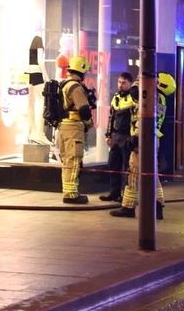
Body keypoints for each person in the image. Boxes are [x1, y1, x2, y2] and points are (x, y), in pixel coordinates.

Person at [110, 72, 172, 219]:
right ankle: (157, 206)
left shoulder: (150, 97)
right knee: (152, 175)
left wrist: (136, 137)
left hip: (142, 139)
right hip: (151, 138)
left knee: (133, 173)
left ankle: (128, 207)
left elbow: (142, 116)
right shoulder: (160, 99)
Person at [57, 56, 94, 204]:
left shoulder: (63, 84)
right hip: (73, 126)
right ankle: (71, 194)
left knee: (67, 160)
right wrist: (89, 123)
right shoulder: (75, 87)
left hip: (63, 126)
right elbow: (84, 110)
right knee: (74, 159)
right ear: (82, 70)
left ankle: (68, 190)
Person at [99, 72, 136, 203]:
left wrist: (134, 137)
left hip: (127, 137)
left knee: (127, 168)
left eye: (124, 83)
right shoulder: (115, 98)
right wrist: (108, 135)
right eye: (119, 82)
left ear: (130, 84)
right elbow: (111, 117)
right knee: (113, 165)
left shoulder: (133, 98)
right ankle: (114, 193)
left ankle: (125, 195)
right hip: (116, 136)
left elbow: (136, 119)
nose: (120, 85)